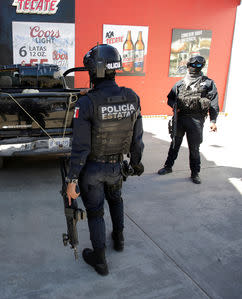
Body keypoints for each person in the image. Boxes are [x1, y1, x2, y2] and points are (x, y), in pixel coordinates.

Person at [66, 44, 144, 276]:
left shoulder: (86, 103)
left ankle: (100, 260)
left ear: (95, 71)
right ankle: (119, 240)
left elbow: (80, 147)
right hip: (117, 166)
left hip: (92, 169)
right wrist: (135, 162)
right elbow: (137, 137)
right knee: (117, 200)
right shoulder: (132, 96)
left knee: (96, 212)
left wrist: (71, 179)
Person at [157, 55, 219, 184]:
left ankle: (195, 173)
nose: (195, 68)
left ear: (202, 67)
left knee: (194, 148)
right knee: (174, 144)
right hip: (180, 119)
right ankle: (168, 167)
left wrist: (213, 121)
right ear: (188, 66)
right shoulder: (180, 83)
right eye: (192, 65)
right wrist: (175, 107)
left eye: (198, 66)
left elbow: (213, 103)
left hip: (196, 120)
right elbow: (170, 98)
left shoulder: (208, 83)